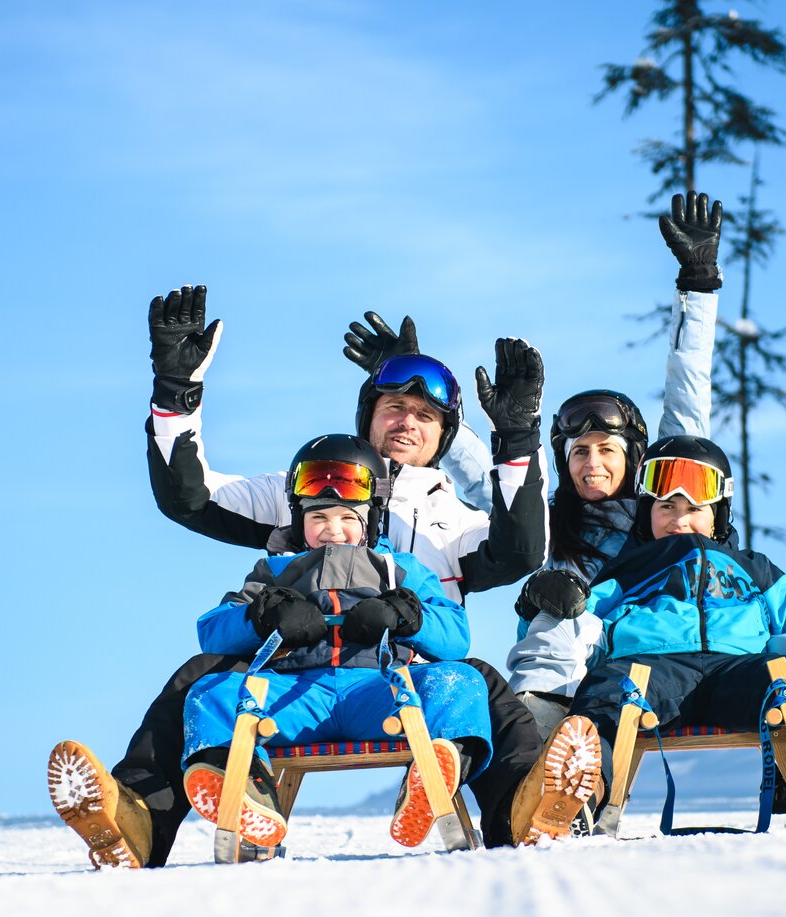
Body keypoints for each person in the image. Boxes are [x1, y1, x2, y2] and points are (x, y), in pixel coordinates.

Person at [66, 289, 553, 866]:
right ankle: (142, 818)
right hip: (294, 672)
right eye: (392, 406)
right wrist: (176, 395)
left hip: (408, 677)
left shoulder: (453, 517)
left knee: (479, 683)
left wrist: (518, 438)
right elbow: (190, 497)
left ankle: (522, 810)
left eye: (425, 416)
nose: (406, 422)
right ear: (366, 415)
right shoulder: (308, 483)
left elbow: (523, 547)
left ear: (445, 437)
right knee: (199, 678)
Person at [550, 436, 786, 833]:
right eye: (666, 507)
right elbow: (574, 625)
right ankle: (581, 793)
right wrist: (542, 606)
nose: (679, 519)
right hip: (649, 671)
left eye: (694, 508)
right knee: (607, 692)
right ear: (647, 512)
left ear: (718, 515)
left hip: (739, 672)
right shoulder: (625, 571)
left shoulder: (755, 570)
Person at [177, 434, 491, 849]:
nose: (333, 530)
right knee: (210, 692)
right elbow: (213, 629)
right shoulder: (275, 571)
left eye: (347, 518)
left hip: (380, 693)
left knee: (460, 681)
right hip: (294, 696)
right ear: (298, 520)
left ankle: (429, 778)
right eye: (318, 518)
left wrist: (406, 616)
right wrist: (263, 616)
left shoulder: (398, 570)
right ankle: (246, 791)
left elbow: (455, 635)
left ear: (370, 519)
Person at [507, 192, 724, 738]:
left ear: (634, 458)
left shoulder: (669, 504)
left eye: (607, 449)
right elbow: (484, 472)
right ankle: (535, 749)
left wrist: (697, 287)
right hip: (580, 667)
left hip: (664, 650)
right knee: (560, 618)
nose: (592, 464)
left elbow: (688, 395)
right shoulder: (551, 520)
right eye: (579, 452)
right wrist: (423, 410)